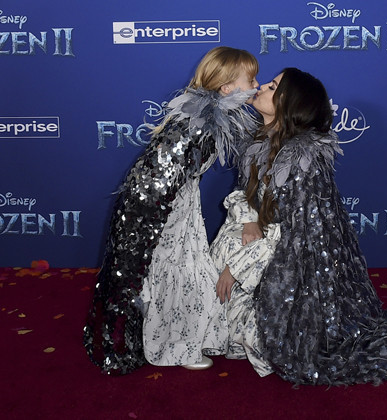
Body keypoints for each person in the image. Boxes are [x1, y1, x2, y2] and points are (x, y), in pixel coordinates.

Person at [210, 67, 387, 385]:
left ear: (290, 103)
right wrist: (248, 222)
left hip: (292, 263)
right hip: (263, 240)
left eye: (273, 87)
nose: (261, 86)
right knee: (218, 260)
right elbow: (247, 194)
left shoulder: (302, 158)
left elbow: (298, 237)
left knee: (261, 332)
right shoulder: (258, 140)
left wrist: (237, 267)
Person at [84, 46, 260, 374]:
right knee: (179, 272)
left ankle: (183, 338)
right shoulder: (198, 121)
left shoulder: (217, 116)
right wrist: (156, 223)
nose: (256, 85)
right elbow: (160, 177)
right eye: (250, 79)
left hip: (178, 204)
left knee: (189, 272)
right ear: (226, 88)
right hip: (158, 209)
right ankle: (176, 347)